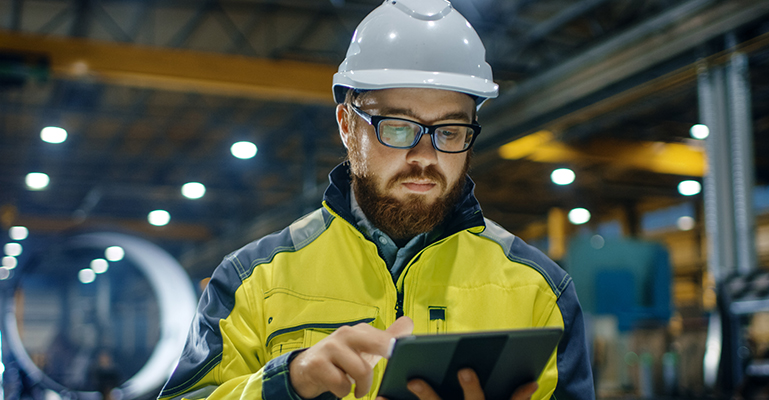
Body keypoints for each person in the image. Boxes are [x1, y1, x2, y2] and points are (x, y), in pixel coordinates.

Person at [158, 0, 594, 399]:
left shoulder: (540, 291)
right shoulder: (252, 282)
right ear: (348, 125)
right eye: (399, 127)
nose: (425, 157)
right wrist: (286, 384)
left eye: (449, 132)